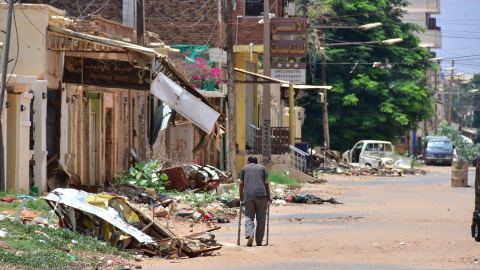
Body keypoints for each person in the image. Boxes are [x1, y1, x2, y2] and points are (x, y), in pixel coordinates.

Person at [238, 156, 272, 246]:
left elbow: (241, 183)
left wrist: (241, 197)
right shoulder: (262, 168)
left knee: (249, 216)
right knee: (261, 218)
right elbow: (266, 183)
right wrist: (269, 197)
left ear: (248, 162)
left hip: (249, 196)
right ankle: (259, 241)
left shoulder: (244, 168)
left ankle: (250, 235)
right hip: (262, 195)